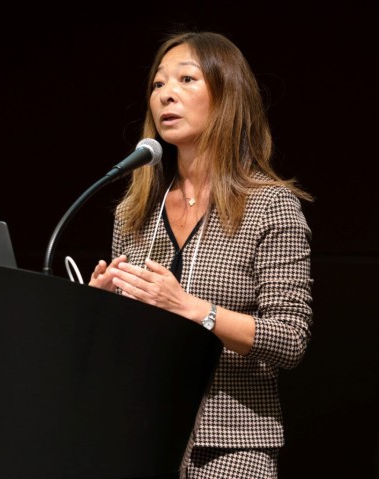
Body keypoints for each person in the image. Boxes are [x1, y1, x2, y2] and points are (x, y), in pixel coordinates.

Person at [89, 31, 313, 478]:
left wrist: (193, 309)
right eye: (158, 84)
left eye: (186, 79)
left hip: (229, 443)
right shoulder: (135, 212)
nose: (166, 94)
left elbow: (290, 339)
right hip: (138, 435)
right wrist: (100, 308)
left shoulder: (269, 206)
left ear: (227, 96)